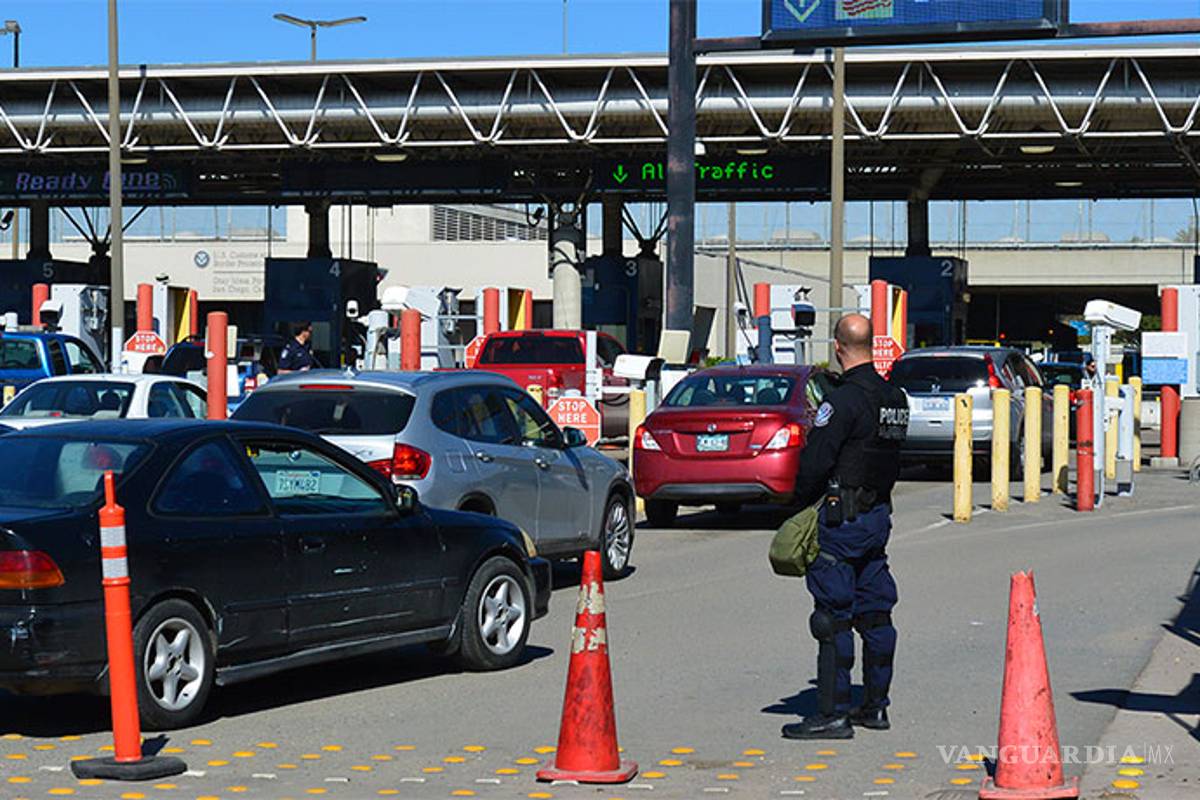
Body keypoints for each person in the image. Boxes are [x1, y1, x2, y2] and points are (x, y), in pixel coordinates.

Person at [782, 314, 910, 741]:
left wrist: (797, 506)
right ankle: (875, 705)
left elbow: (815, 463)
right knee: (875, 612)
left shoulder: (843, 401)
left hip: (841, 521)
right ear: (872, 345)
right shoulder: (895, 398)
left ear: (838, 348)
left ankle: (833, 714)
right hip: (877, 518)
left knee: (832, 618)